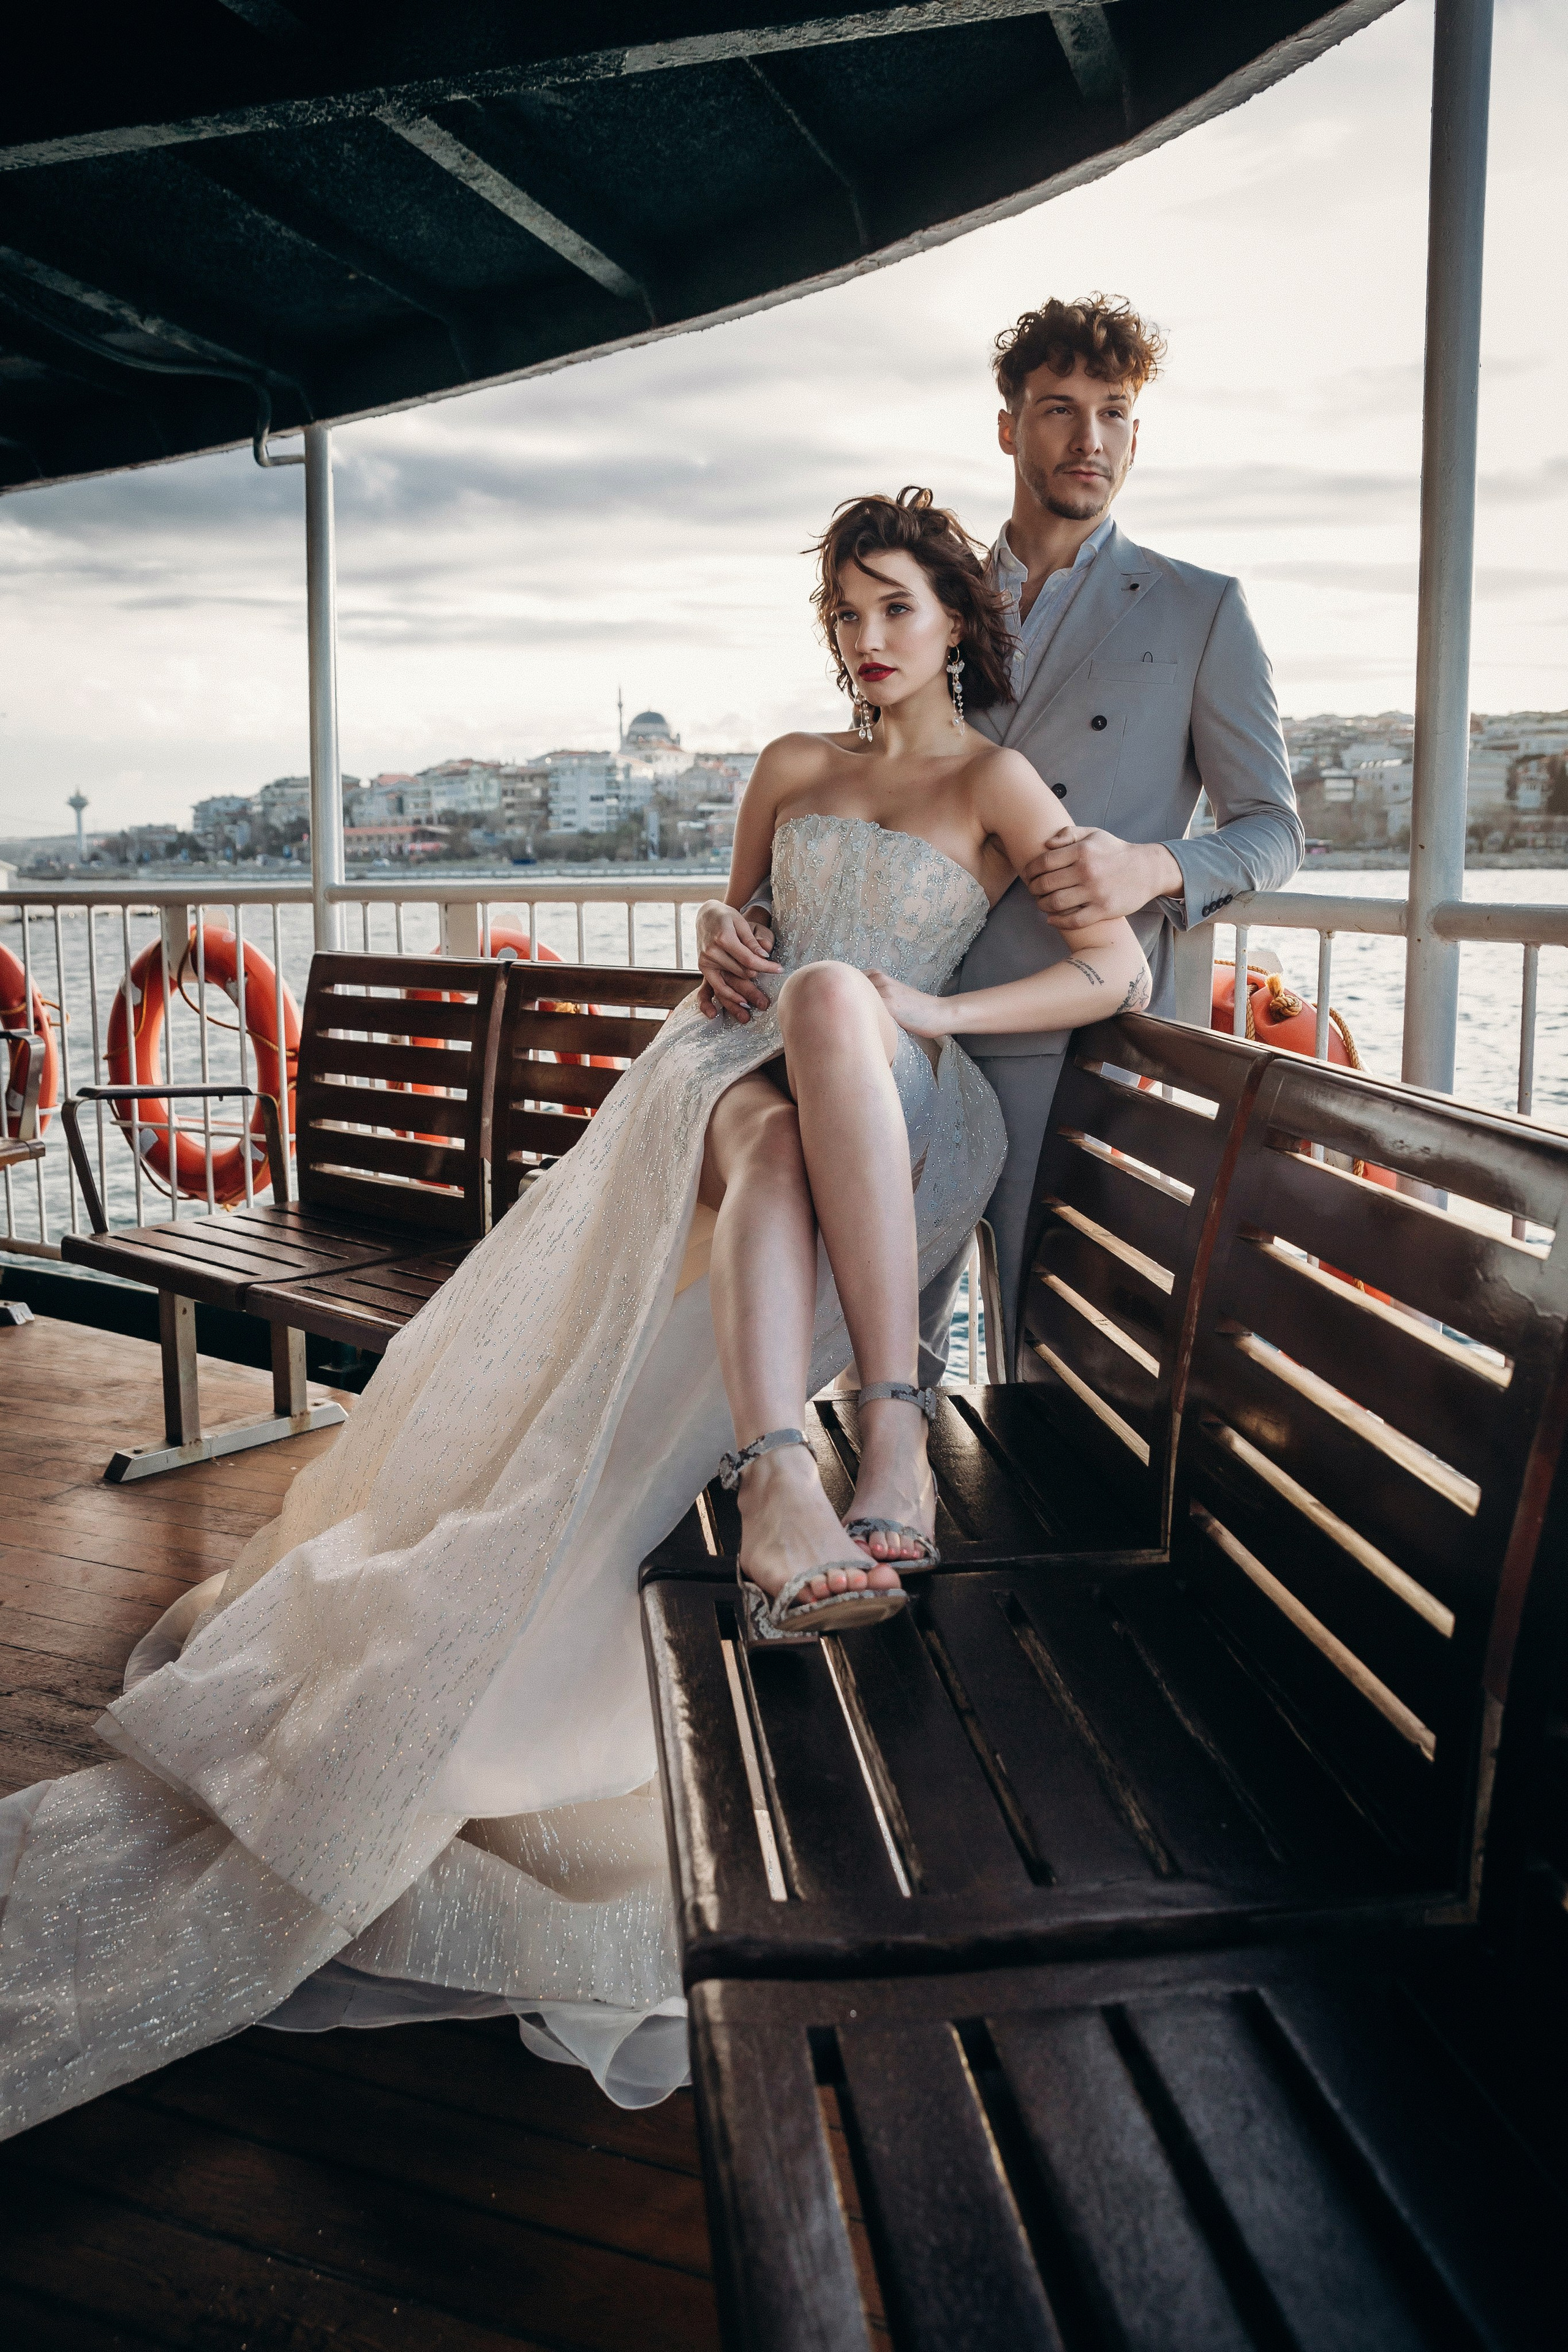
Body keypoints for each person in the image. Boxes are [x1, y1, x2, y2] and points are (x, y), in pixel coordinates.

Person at [0, 489, 1144, 2139]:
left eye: (894, 608)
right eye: (842, 612)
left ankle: (830, 1450)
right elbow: (732, 960)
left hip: (901, 1106)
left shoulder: (994, 783)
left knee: (832, 1006)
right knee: (764, 1097)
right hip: (743, 1085)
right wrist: (728, 947)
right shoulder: (789, 769)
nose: (865, 641)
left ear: (955, 618)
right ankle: (796, 1469)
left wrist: (926, 1000)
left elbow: (1103, 966)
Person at [698, 295, 1302, 1376]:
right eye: (1061, 409)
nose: (1091, 440)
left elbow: (1273, 830)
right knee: (877, 1356)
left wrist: (1156, 864)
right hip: (885, 1046)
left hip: (1078, 1045)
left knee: (1053, 1366)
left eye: (1116, 414)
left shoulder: (1202, 609)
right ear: (1008, 426)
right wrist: (736, 913)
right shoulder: (930, 593)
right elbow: (865, 787)